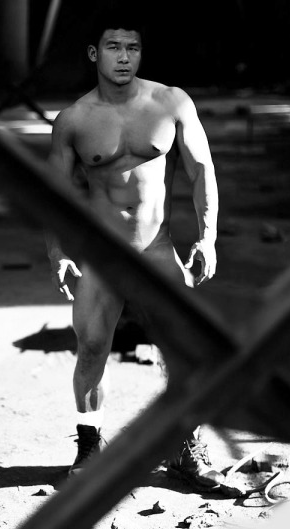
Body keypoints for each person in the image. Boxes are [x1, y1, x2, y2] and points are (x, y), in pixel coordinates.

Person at [45, 7, 223, 491]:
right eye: (113, 47)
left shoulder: (170, 102)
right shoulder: (74, 120)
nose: (124, 57)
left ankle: (187, 448)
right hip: (102, 253)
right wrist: (59, 253)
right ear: (93, 54)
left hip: (156, 247)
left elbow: (201, 170)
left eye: (132, 48)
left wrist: (207, 236)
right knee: (91, 346)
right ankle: (89, 446)